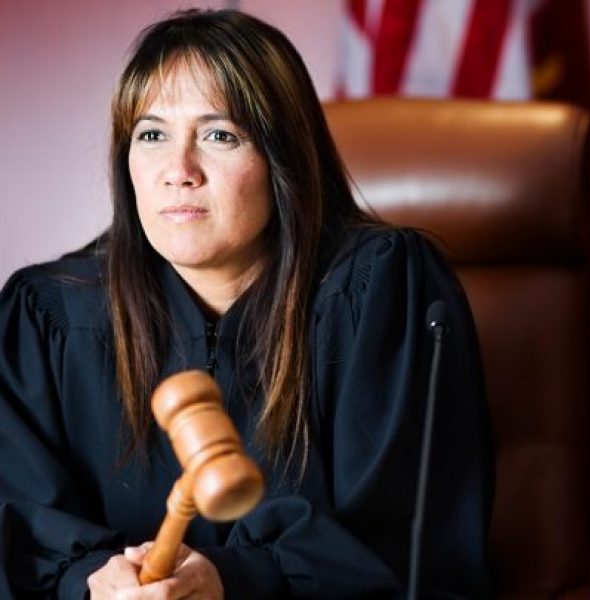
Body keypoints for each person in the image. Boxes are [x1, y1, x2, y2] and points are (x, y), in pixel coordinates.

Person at [0, 9, 493, 599]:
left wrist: (230, 579)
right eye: (152, 134)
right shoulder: (47, 315)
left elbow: (408, 544)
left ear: (282, 159)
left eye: (219, 135)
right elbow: (16, 530)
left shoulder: (382, 291)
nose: (178, 172)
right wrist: (93, 581)